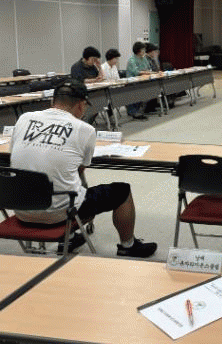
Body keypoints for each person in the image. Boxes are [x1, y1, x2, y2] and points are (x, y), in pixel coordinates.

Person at [9, 80, 157, 257]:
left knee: (60, 179)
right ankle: (128, 245)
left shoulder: (24, 119)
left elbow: (16, 160)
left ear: (52, 101)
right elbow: (78, 170)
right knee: (121, 191)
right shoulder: (84, 129)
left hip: (20, 209)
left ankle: (70, 239)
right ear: (80, 105)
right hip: (60, 213)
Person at [125, 41, 153, 120]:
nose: (144, 51)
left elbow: (148, 68)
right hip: (132, 83)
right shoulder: (132, 60)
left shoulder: (144, 58)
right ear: (138, 50)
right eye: (143, 50)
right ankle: (134, 111)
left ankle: (140, 110)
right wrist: (145, 72)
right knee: (139, 90)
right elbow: (136, 72)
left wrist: (147, 72)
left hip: (142, 81)